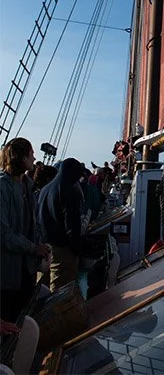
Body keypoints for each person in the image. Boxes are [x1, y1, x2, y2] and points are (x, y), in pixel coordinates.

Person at [0, 138, 50, 323]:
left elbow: (32, 224)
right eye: (31, 154)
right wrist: (34, 248)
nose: (34, 158)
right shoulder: (2, 187)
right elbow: (3, 234)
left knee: (23, 322)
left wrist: (40, 245)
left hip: (26, 272)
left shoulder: (27, 186)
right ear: (21, 158)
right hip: (6, 274)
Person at [35, 158, 89, 293]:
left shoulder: (45, 189)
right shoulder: (68, 190)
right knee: (60, 290)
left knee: (41, 287)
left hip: (44, 246)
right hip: (63, 248)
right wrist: (76, 248)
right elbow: (72, 223)